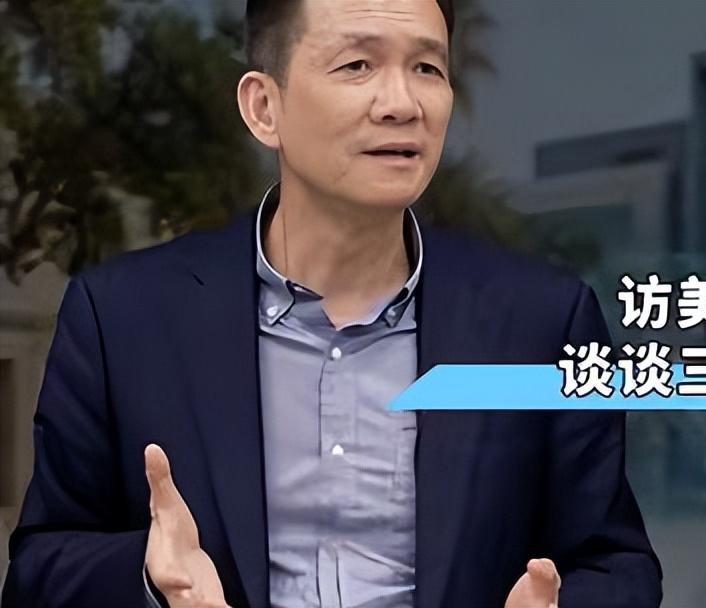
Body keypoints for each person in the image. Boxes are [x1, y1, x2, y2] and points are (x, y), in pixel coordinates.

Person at [0, 1, 663, 607]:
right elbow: (39, 568)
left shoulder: (541, 321)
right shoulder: (123, 318)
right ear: (265, 107)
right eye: (357, 65)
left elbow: (616, 564)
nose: (402, 103)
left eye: (427, 67)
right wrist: (148, 578)